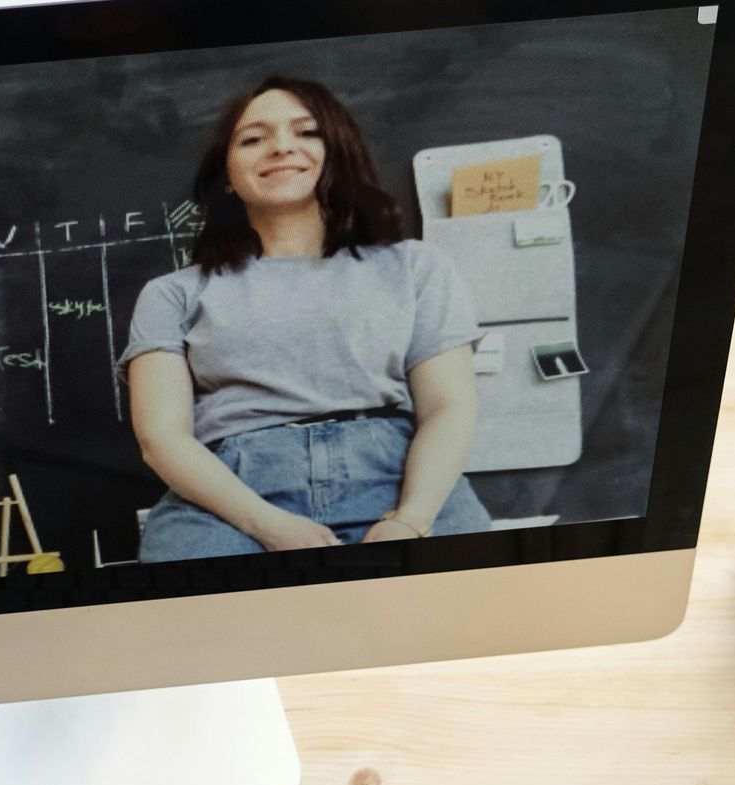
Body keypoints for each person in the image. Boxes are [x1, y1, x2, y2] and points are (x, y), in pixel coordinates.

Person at [123, 76, 492, 562]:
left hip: (398, 479)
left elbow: (448, 406)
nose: (280, 148)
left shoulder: (415, 267)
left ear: (336, 152)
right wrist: (267, 525)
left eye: (307, 132)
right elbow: (162, 438)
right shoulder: (171, 293)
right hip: (230, 498)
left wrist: (411, 519)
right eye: (253, 139)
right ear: (229, 176)